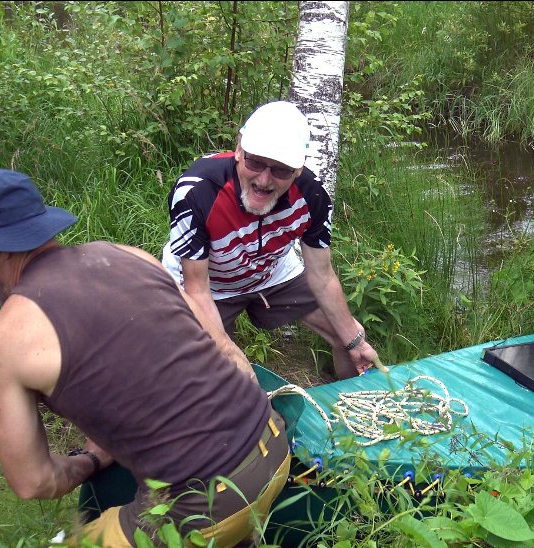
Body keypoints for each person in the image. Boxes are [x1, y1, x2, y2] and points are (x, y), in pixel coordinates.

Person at [0, 168, 290, 548]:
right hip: (275, 445)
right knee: (209, 514)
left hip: (209, 503)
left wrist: (91, 459)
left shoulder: (2, 338)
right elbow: (218, 348)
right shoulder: (127, 254)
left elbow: (33, 482)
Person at [162, 100, 382, 379]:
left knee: (349, 333)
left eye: (280, 170)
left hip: (272, 270)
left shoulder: (312, 196)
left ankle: (352, 408)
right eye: (255, 162)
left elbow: (322, 276)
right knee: (213, 371)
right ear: (239, 151)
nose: (264, 180)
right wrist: (232, 357)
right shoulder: (197, 191)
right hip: (209, 285)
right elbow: (198, 289)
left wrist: (355, 342)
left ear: (298, 169)